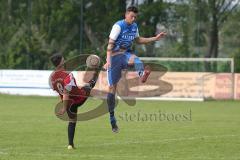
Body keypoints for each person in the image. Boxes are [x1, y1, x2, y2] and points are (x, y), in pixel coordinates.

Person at [104, 6, 166, 133]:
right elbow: (110, 43)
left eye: (135, 17)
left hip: (125, 55)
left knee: (135, 59)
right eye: (132, 16)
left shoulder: (134, 27)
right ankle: (112, 119)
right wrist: (108, 60)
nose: (133, 19)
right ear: (126, 14)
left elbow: (138, 40)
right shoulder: (118, 26)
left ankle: (142, 74)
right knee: (112, 88)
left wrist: (155, 38)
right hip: (114, 57)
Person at [49, 53, 99, 149]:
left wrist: (65, 105)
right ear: (61, 62)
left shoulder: (52, 78)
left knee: (72, 121)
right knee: (89, 85)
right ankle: (96, 69)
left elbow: (59, 90)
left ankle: (70, 145)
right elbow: (67, 92)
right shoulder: (68, 75)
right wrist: (63, 108)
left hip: (69, 104)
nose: (65, 60)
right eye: (63, 59)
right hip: (79, 98)